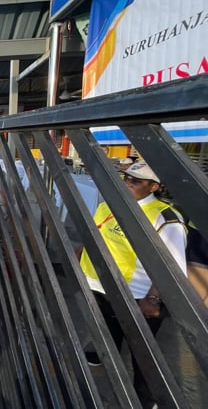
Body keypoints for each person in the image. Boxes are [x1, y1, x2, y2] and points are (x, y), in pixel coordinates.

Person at [80, 161, 187, 406]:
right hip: (99, 287)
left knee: (143, 355)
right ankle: (103, 354)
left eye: (135, 181)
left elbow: (173, 266)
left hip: (135, 296)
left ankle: (148, 398)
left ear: (153, 187)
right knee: (105, 329)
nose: (127, 183)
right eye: (126, 178)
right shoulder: (109, 204)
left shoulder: (165, 219)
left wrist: (153, 299)